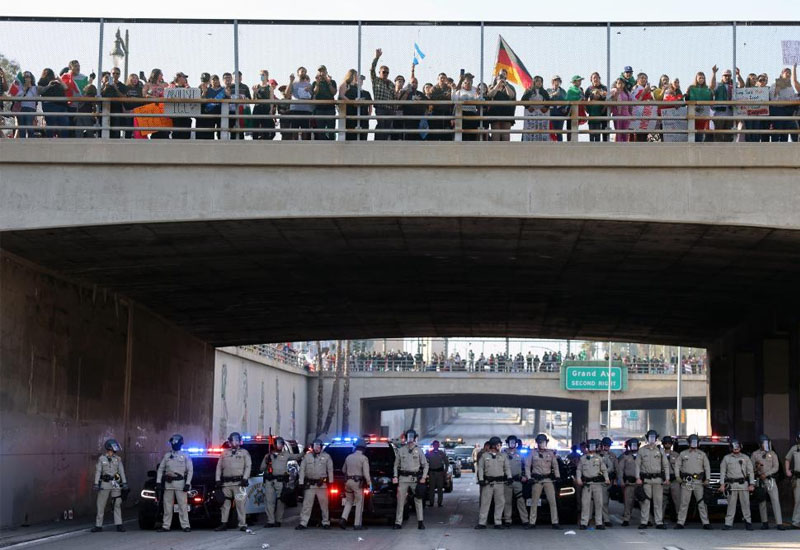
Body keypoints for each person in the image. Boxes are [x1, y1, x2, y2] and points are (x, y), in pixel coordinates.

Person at [214, 432, 252, 531]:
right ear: (229, 442)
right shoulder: (224, 453)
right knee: (225, 504)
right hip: (226, 484)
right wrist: (217, 480)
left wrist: (245, 478)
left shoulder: (244, 453)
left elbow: (248, 466)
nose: (234, 442)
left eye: (236, 440)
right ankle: (224, 523)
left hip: (239, 483)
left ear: (240, 441)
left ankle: (242, 524)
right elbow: (218, 467)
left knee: (240, 505)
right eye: (232, 440)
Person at [155, 434, 193, 533]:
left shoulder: (185, 455)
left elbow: (190, 471)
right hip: (169, 484)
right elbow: (160, 469)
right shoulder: (167, 456)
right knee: (167, 506)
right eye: (173, 443)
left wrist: (188, 483)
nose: (174, 445)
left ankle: (185, 525)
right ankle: (166, 526)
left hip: (180, 483)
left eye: (176, 443)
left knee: (182, 506)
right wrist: (158, 482)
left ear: (181, 444)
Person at [260, 436, 300, 528]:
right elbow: (261, 468)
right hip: (270, 481)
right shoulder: (268, 456)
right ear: (274, 445)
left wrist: (304, 452)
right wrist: (266, 462)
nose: (280, 445)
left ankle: (278, 520)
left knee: (281, 500)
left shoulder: (286, 454)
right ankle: (270, 521)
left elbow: (296, 457)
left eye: (282, 444)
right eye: (278, 443)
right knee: (269, 501)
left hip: (280, 480)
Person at [674, 434, 712, 529]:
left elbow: (707, 467)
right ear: (689, 443)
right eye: (692, 441)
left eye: (696, 442)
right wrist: (677, 476)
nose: (694, 443)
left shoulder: (702, 454)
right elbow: (677, 466)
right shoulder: (683, 454)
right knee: (684, 502)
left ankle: (706, 522)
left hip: (698, 482)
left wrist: (707, 479)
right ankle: (680, 522)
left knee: (701, 503)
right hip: (686, 481)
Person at [393, 429, 428, 529]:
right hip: (403, 478)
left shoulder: (419, 450)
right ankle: (398, 522)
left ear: (415, 438)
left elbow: (425, 465)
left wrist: (424, 477)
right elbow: (396, 465)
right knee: (400, 500)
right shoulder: (401, 450)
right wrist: (395, 476)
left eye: (412, 437)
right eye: (409, 437)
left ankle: (420, 522)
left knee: (418, 499)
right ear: (406, 437)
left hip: (415, 478)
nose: (410, 439)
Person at [91, 439, 128, 532]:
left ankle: (119, 524)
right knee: (101, 504)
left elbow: (121, 471)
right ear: (109, 447)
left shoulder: (118, 459)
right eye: (113, 447)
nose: (115, 449)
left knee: (117, 504)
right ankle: (98, 525)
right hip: (105, 482)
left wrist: (124, 483)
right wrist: (96, 483)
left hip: (115, 482)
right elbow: (98, 471)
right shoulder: (102, 458)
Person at [297, 438, 334, 529]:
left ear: (321, 447)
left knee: (324, 505)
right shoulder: (307, 457)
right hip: (310, 485)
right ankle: (303, 523)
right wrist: (301, 482)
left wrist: (331, 482)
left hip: (322, 485)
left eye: (318, 446)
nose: (317, 448)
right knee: (307, 505)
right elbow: (302, 470)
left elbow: (330, 470)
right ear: (312, 447)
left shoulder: (326, 457)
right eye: (315, 446)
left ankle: (325, 522)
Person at [635, 429, 669, 529]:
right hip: (646, 480)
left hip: (658, 480)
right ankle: (644, 522)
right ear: (647, 438)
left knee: (658, 501)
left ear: (656, 438)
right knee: (646, 501)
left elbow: (666, 465)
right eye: (650, 437)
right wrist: (637, 478)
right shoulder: (642, 450)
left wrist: (667, 478)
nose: (652, 439)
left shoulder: (660, 450)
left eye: (653, 437)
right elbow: (637, 465)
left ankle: (659, 522)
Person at [720, 438, 755, 530]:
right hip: (731, 484)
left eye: (737, 446)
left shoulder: (746, 458)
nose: (736, 448)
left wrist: (752, 484)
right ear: (731, 448)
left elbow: (750, 472)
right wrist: (722, 484)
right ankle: (728, 523)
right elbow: (723, 472)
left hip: (743, 483)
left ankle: (748, 522)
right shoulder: (726, 458)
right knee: (731, 504)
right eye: (734, 446)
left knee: (745, 503)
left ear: (740, 447)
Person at [475, 436, 510, 529]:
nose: (500, 446)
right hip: (488, 483)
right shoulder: (484, 456)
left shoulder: (503, 456)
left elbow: (507, 468)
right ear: (494, 445)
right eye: (499, 445)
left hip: (499, 483)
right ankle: (482, 522)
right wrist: (481, 479)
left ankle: (498, 522)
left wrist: (509, 477)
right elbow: (481, 468)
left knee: (500, 503)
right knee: (485, 502)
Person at [526, 433, 560, 529]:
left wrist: (557, 476)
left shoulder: (550, 453)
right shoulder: (532, 453)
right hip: (536, 480)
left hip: (548, 479)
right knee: (534, 501)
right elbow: (527, 466)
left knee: (552, 501)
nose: (542, 444)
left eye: (544, 442)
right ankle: (532, 522)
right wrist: (529, 477)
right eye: (540, 442)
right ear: (537, 443)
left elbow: (555, 465)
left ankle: (555, 522)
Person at [751, 434, 784, 530]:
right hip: (759, 480)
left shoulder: (772, 453)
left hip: (770, 480)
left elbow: (776, 467)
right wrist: (757, 468)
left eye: (767, 442)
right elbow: (751, 468)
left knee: (775, 500)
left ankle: (779, 523)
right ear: (760, 444)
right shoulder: (755, 454)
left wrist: (767, 474)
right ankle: (764, 522)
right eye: (764, 442)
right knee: (762, 501)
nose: (766, 444)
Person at [576, 439, 610, 530]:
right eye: (590, 446)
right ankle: (584, 522)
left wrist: (607, 479)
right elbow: (579, 470)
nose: (591, 448)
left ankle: (599, 522)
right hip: (587, 484)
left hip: (597, 484)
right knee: (585, 503)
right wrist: (578, 479)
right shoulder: (583, 458)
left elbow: (604, 470)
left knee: (599, 503)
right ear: (587, 447)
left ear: (596, 447)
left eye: (593, 446)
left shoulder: (599, 458)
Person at [340, 441, 372, 530]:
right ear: (363, 449)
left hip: (348, 482)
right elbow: (366, 473)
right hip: (357, 483)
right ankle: (357, 524)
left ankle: (343, 519)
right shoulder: (364, 458)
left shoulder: (348, 457)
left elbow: (343, 470)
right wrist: (369, 483)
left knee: (349, 501)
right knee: (359, 503)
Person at [502, 436, 528, 527]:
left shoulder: (520, 454)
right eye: (510, 442)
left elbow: (525, 466)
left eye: (514, 442)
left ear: (516, 443)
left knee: (521, 500)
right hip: (507, 481)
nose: (512, 444)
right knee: (507, 501)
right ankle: (507, 520)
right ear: (507, 443)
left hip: (518, 481)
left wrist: (524, 476)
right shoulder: (503, 454)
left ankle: (525, 520)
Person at [370, 49, 396, 140]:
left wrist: (394, 108)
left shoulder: (391, 84)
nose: (385, 74)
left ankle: (384, 142)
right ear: (380, 72)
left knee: (387, 128)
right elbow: (372, 69)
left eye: (387, 72)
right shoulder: (376, 80)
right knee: (380, 125)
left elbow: (394, 96)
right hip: (380, 107)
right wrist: (377, 57)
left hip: (390, 109)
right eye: (384, 72)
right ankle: (378, 143)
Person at [770, 65, 800, 142]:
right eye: (787, 72)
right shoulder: (775, 84)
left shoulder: (790, 87)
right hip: (778, 110)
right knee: (777, 132)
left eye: (790, 73)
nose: (789, 74)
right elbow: (775, 99)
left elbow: (792, 97)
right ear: (782, 73)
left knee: (785, 133)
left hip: (788, 111)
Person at [339, 70, 371, 141]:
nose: (357, 77)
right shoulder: (346, 84)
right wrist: (352, 102)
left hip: (357, 112)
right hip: (349, 111)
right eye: (356, 75)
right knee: (350, 134)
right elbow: (341, 95)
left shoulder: (356, 87)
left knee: (360, 135)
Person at [486, 69, 516, 141]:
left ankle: (506, 150)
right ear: (497, 76)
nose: (502, 77)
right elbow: (490, 95)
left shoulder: (510, 86)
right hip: (495, 111)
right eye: (500, 75)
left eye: (504, 75)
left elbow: (511, 95)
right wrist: (497, 84)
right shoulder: (492, 86)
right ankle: (495, 150)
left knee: (505, 133)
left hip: (507, 111)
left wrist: (505, 84)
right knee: (495, 132)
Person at [37, 68, 68, 138]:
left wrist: (59, 79)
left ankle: (63, 139)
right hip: (49, 104)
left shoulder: (57, 83)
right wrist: (48, 86)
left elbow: (66, 87)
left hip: (61, 105)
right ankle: (50, 138)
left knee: (64, 123)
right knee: (50, 123)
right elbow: (39, 91)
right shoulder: (42, 82)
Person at [397, 72, 427, 141]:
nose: (414, 84)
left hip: (419, 122)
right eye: (413, 82)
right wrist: (407, 93)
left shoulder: (421, 94)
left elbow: (428, 105)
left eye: (416, 83)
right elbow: (399, 104)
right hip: (408, 120)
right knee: (408, 139)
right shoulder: (405, 92)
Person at [311, 65, 337, 140]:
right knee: (320, 131)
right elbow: (315, 92)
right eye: (320, 71)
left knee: (331, 130)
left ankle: (332, 144)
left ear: (326, 72)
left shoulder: (332, 82)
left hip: (330, 109)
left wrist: (328, 82)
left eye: (323, 71)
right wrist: (317, 83)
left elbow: (334, 92)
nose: (321, 73)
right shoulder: (315, 83)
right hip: (319, 109)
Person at [686, 72, 713, 142]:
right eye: (700, 78)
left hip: (703, 114)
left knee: (700, 133)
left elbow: (710, 99)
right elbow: (687, 99)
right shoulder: (691, 88)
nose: (701, 79)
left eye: (703, 78)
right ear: (696, 78)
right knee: (691, 131)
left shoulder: (707, 88)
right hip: (693, 113)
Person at [286, 67, 313, 140]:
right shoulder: (294, 83)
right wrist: (290, 81)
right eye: (302, 71)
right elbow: (287, 95)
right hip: (295, 109)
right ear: (298, 73)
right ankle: (294, 146)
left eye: (305, 71)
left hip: (306, 110)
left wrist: (308, 91)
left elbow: (311, 97)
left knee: (305, 131)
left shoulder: (309, 85)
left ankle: (305, 147)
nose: (303, 73)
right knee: (294, 130)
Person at [452, 72, 480, 141]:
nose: (467, 84)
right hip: (461, 113)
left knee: (472, 134)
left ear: (472, 82)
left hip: (472, 113)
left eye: (469, 82)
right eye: (465, 82)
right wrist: (453, 90)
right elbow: (453, 99)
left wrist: (478, 95)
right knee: (461, 134)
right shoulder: (459, 90)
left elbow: (479, 101)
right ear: (463, 83)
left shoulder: (475, 90)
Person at [618, 438, 639, 526]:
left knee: (644, 501)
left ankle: (647, 519)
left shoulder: (642, 455)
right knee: (628, 502)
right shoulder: (625, 456)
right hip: (629, 483)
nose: (634, 447)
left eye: (635, 445)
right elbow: (620, 470)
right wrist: (621, 481)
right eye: (632, 445)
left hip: (640, 482)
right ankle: (626, 519)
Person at [661, 436, 681, 522]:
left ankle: (679, 520)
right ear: (663, 444)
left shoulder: (676, 455)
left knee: (678, 501)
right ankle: (660, 520)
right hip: (663, 480)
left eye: (669, 443)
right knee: (661, 501)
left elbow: (681, 467)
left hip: (674, 481)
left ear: (671, 444)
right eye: (666, 443)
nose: (667, 444)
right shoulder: (659, 454)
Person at [252, 70, 276, 140]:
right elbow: (254, 99)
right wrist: (255, 92)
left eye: (263, 75)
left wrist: (271, 110)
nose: (261, 76)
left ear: (267, 76)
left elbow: (272, 99)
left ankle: (265, 141)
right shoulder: (256, 86)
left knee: (266, 127)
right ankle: (254, 141)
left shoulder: (269, 87)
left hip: (266, 108)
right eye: (260, 75)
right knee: (255, 127)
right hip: (257, 108)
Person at [599, 436, 618, 526]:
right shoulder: (598, 455)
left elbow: (616, 468)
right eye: (605, 445)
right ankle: (603, 519)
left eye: (608, 445)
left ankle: (605, 519)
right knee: (602, 501)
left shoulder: (612, 455)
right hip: (600, 480)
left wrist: (616, 479)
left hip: (610, 480)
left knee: (606, 501)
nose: (607, 447)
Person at [584, 72, 608, 142]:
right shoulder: (589, 89)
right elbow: (585, 100)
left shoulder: (604, 88)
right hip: (593, 112)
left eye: (597, 77)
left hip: (603, 111)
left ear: (599, 78)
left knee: (603, 129)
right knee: (592, 132)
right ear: (591, 79)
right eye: (593, 78)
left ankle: (604, 145)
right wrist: (587, 109)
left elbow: (608, 98)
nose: (595, 79)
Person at [169, 72, 192, 139]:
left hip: (186, 115)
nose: (185, 79)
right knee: (176, 134)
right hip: (175, 116)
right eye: (183, 77)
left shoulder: (188, 88)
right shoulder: (171, 88)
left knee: (186, 134)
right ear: (179, 78)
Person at [609, 78, 633, 142]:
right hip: (617, 114)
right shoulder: (613, 91)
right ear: (616, 84)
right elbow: (611, 102)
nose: (620, 84)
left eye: (622, 83)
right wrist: (616, 94)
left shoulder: (627, 93)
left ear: (624, 84)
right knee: (618, 133)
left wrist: (631, 114)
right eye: (618, 83)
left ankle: (625, 148)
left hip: (626, 115)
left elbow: (630, 104)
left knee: (625, 133)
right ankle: (618, 148)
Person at [14, 71, 37, 138]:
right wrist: (24, 89)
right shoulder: (19, 86)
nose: (27, 78)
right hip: (21, 108)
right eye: (25, 77)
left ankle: (31, 142)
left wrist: (30, 87)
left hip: (31, 108)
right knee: (21, 127)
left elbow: (36, 97)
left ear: (31, 78)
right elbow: (17, 96)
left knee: (29, 126)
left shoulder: (34, 87)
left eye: (28, 77)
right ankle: (22, 142)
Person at [425, 440, 448, 507]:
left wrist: (445, 472)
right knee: (431, 488)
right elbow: (424, 460)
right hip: (432, 473)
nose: (436, 446)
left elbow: (446, 463)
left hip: (440, 473)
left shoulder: (441, 453)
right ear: (433, 445)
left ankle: (439, 503)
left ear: (438, 445)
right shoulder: (429, 453)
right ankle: (431, 502)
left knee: (440, 488)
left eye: (437, 445)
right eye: (434, 445)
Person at [632, 73, 653, 142]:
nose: (644, 79)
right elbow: (637, 101)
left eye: (645, 78)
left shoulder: (646, 89)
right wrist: (645, 91)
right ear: (637, 80)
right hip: (638, 115)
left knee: (644, 135)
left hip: (646, 115)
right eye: (642, 78)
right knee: (638, 136)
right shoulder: (636, 88)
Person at [785, 430, 800, 529]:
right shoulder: (794, 448)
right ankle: (796, 522)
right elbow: (787, 459)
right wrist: (787, 470)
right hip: (798, 478)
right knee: (798, 500)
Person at [564, 75, 584, 141]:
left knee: (575, 127)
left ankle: (574, 141)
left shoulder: (580, 90)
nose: (580, 82)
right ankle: (569, 142)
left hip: (577, 111)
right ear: (574, 82)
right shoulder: (571, 90)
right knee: (570, 127)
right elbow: (568, 99)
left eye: (580, 80)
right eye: (578, 80)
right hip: (571, 111)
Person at [548, 76, 567, 141]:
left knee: (559, 131)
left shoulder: (563, 91)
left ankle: (560, 145)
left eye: (558, 80)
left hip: (560, 113)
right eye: (555, 80)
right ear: (552, 82)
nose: (557, 82)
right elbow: (545, 100)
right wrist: (553, 95)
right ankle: (550, 145)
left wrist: (565, 109)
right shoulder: (548, 90)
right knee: (550, 130)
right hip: (551, 113)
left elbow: (566, 101)